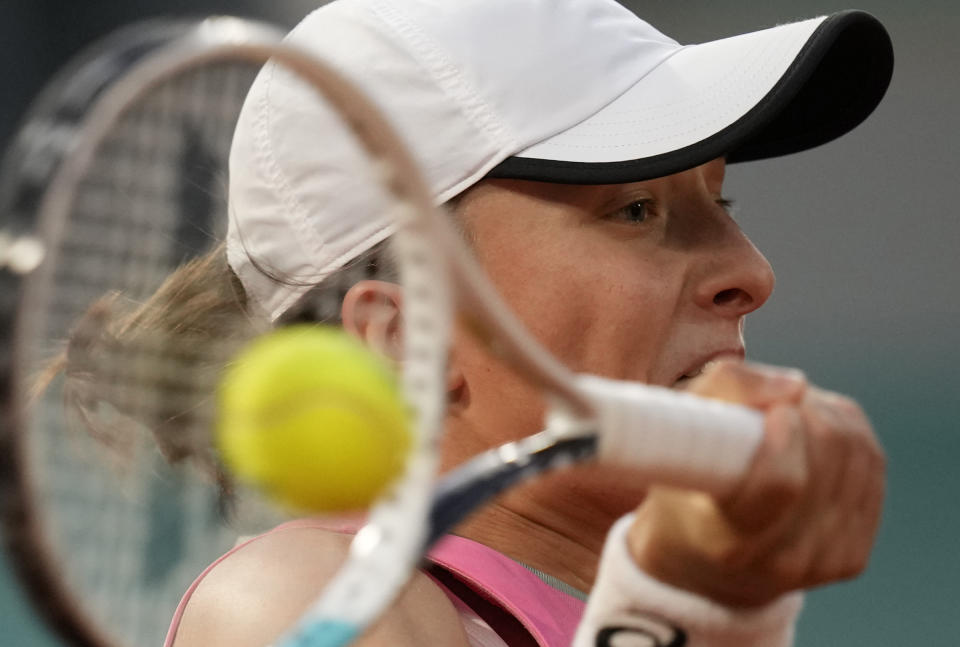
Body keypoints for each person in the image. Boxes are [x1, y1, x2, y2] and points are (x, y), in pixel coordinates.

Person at [150, 1, 893, 645]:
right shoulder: (298, 598)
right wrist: (685, 606)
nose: (752, 273)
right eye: (636, 209)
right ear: (407, 339)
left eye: (720, 203)